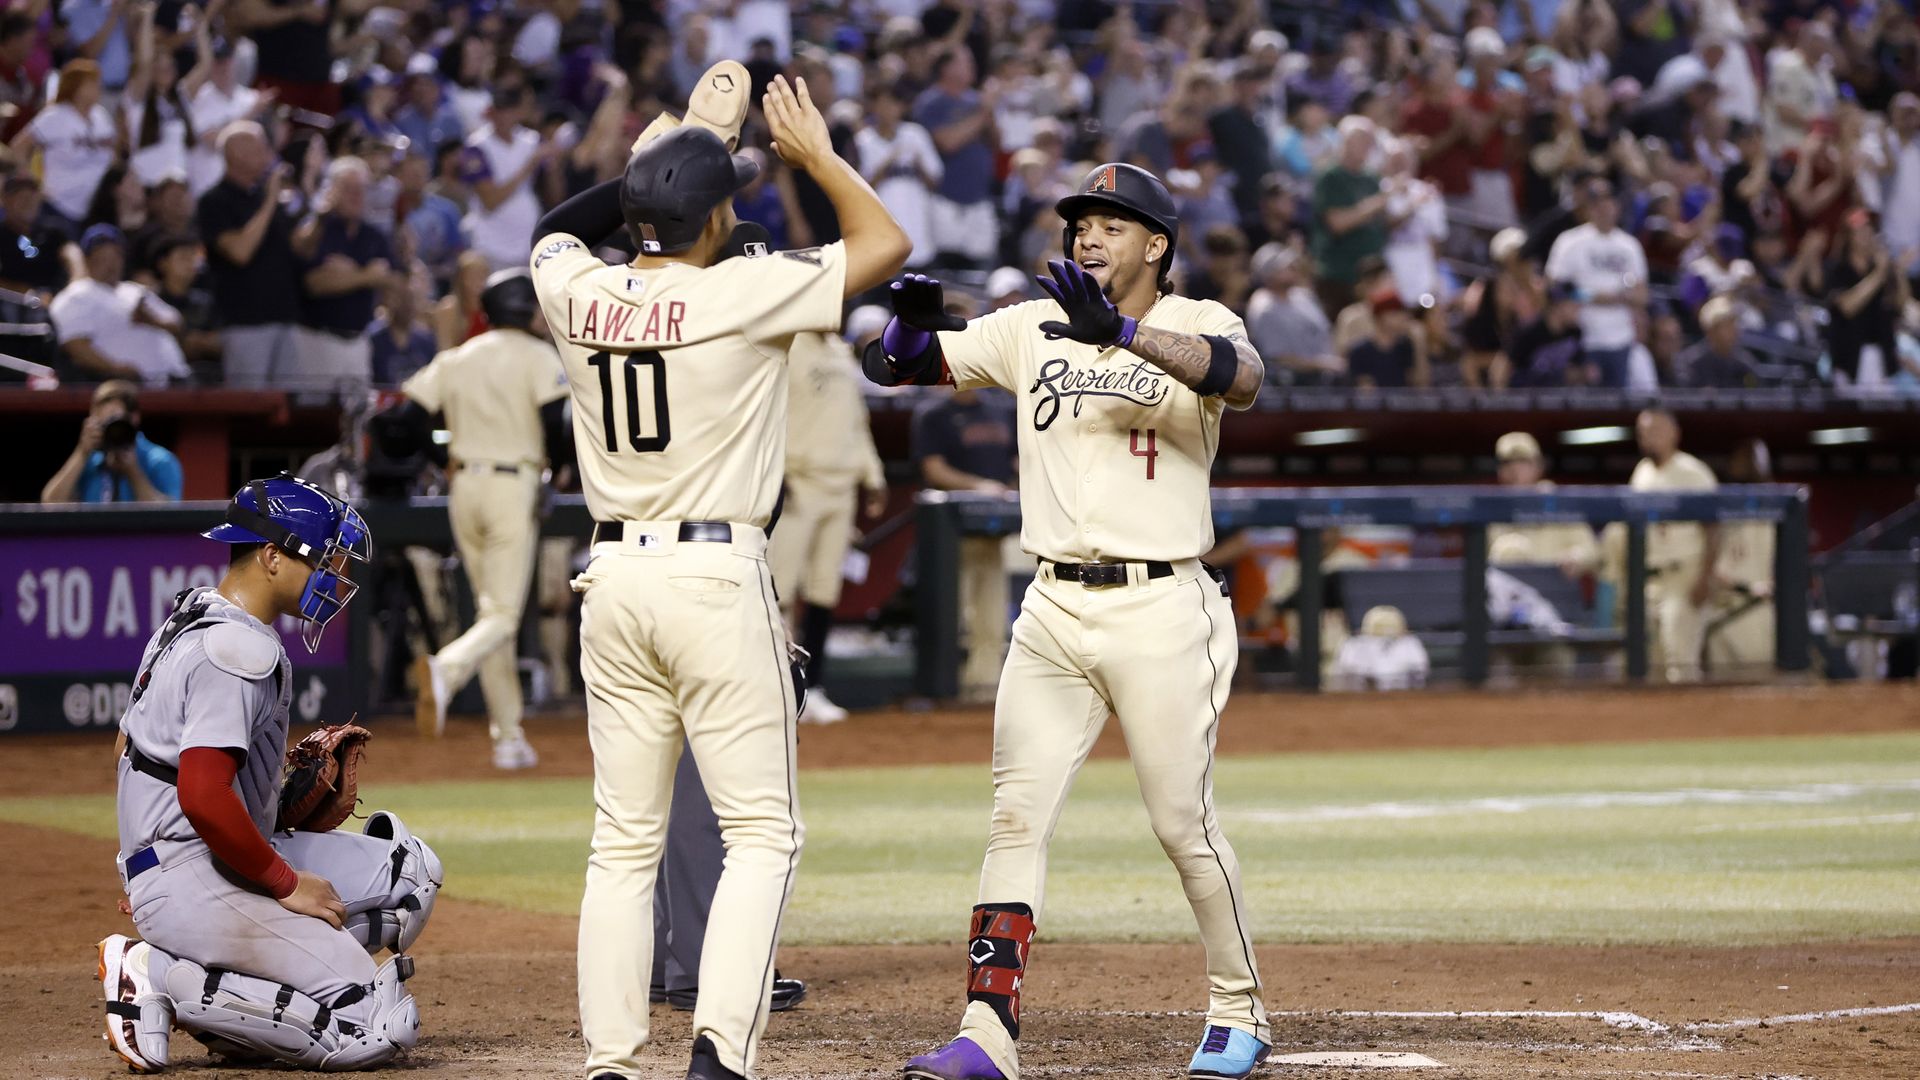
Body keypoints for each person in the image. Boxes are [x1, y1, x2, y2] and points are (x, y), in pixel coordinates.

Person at [527, 66, 908, 1080]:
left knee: (622, 845)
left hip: (611, 582)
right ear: (710, 222)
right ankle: (719, 1056)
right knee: (762, 836)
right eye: (725, 201)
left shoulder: (578, 289)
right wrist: (816, 157)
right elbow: (886, 246)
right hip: (714, 575)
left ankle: (612, 1063)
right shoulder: (739, 287)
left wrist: (671, 153)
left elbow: (559, 228)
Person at [866, 161, 1271, 1080]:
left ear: (1157, 243)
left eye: (1112, 224)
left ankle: (1240, 1008)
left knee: (1183, 826)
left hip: (1164, 607)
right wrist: (906, 321)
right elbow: (896, 368)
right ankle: (986, 1034)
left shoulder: (1200, 319)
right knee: (1014, 819)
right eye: (1080, 222)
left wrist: (1125, 336)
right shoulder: (1029, 325)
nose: (1088, 236)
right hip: (1050, 607)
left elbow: (1243, 380)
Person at [97, 473, 442, 1073]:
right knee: (376, 1025)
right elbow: (202, 794)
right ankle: (158, 972)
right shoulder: (237, 653)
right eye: (321, 562)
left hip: (193, 857)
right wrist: (286, 883)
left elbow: (131, 747)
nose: (334, 578)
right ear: (272, 556)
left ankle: (240, 985)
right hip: (194, 870)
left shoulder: (190, 615)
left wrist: (259, 805)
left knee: (409, 871)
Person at [403, 270, 568, 771]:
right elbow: (557, 426)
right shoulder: (539, 356)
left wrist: (443, 454)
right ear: (524, 310)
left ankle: (508, 737)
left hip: (464, 485)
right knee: (502, 617)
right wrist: (556, 471)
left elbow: (407, 417)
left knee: (491, 614)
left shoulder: (458, 356)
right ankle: (447, 671)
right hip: (511, 484)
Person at [769, 323, 888, 724]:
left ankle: (811, 687)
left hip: (842, 486)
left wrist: (873, 476)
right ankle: (773, 688)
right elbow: (767, 413)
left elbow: (857, 421)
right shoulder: (787, 343)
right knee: (779, 589)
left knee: (823, 592)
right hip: (799, 481)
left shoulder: (840, 351)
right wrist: (777, 475)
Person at [911, 383, 1016, 704]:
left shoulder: (1002, 409)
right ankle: (949, 685)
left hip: (993, 529)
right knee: (956, 609)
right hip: (949, 530)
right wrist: (978, 486)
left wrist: (1011, 490)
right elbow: (933, 469)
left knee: (992, 610)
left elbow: (1016, 460)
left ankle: (985, 684)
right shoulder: (934, 414)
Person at [198, 121, 303, 387]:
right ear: (237, 154)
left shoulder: (264, 197)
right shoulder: (214, 201)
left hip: (285, 319)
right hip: (245, 324)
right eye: (262, 147)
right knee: (249, 408)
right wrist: (270, 201)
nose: (269, 154)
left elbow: (297, 248)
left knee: (287, 409)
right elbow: (240, 252)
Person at [292, 157, 394, 397]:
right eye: (348, 189)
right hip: (316, 339)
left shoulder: (373, 236)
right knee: (314, 416)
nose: (356, 196)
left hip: (358, 340)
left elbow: (390, 279)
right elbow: (314, 284)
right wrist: (366, 275)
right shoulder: (316, 231)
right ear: (331, 191)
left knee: (358, 418)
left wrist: (351, 275)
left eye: (361, 189)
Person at [1630, 409, 1719, 683]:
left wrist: (1705, 578)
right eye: (1643, 432)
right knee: (1652, 670)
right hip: (1651, 579)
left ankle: (1693, 725)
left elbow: (1714, 528)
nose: (1648, 437)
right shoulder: (1641, 472)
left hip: (1685, 576)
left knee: (1681, 668)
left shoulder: (1693, 472)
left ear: (1675, 433)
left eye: (1656, 430)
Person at [50, 224, 190, 386]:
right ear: (87, 259)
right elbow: (76, 346)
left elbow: (179, 326)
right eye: (102, 255)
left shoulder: (135, 290)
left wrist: (152, 320)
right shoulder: (75, 295)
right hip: (125, 387)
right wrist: (115, 369)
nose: (110, 263)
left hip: (176, 380)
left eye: (115, 255)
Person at [1545, 178, 1649, 387]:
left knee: (1619, 406)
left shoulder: (1629, 246)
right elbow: (1554, 288)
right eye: (1597, 203)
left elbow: (1643, 295)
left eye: (1608, 201)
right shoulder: (1570, 241)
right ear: (1588, 208)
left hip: (1621, 339)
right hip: (1582, 340)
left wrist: (1620, 297)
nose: (1604, 208)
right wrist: (1590, 296)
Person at [10, 58, 118, 230]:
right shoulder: (56, 115)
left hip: (97, 208)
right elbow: (18, 147)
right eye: (91, 83)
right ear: (75, 87)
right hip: (59, 206)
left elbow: (113, 154)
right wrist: (32, 182)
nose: (98, 88)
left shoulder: (101, 116)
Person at [914, 46, 997, 269]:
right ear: (946, 67)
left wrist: (989, 111)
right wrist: (983, 112)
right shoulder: (932, 101)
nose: (972, 67)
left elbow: (997, 143)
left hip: (979, 197)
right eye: (965, 62)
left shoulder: (975, 100)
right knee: (945, 267)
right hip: (945, 197)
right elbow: (948, 143)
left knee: (980, 268)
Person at [461, 86, 557, 271]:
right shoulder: (476, 146)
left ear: (518, 112)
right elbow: (490, 201)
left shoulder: (532, 140)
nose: (504, 116)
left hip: (527, 243)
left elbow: (555, 194)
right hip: (491, 245)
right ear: (492, 112)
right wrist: (530, 164)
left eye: (509, 110)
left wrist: (554, 165)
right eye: (500, 110)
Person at [41, 380, 182, 504]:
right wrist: (81, 453)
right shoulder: (89, 461)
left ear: (134, 418)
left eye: (115, 422)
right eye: (103, 424)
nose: (111, 431)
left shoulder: (159, 461)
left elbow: (166, 516)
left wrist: (133, 472)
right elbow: (51, 503)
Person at [1707, 437, 1776, 677]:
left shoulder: (1777, 510)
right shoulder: (1721, 510)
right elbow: (1711, 571)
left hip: (1757, 610)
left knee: (1763, 686)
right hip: (1725, 611)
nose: (1747, 465)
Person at [1311, 116, 1389, 319]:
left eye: (1370, 141)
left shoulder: (1371, 178)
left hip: (1371, 275)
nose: (1368, 146)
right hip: (1340, 273)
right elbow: (1337, 223)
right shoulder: (1331, 176)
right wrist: (1374, 205)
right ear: (1345, 141)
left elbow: (1382, 223)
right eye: (1362, 140)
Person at [1506, 281, 1590, 387]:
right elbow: (1506, 370)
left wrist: (1583, 373)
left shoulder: (1575, 332)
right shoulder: (1528, 332)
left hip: (1560, 398)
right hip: (1528, 397)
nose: (1578, 308)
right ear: (1557, 306)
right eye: (1573, 304)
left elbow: (1577, 369)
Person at [1673, 296, 1760, 387]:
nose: (1734, 330)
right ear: (1711, 331)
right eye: (1727, 326)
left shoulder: (1745, 362)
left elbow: (1756, 391)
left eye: (1734, 324)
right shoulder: (1690, 362)